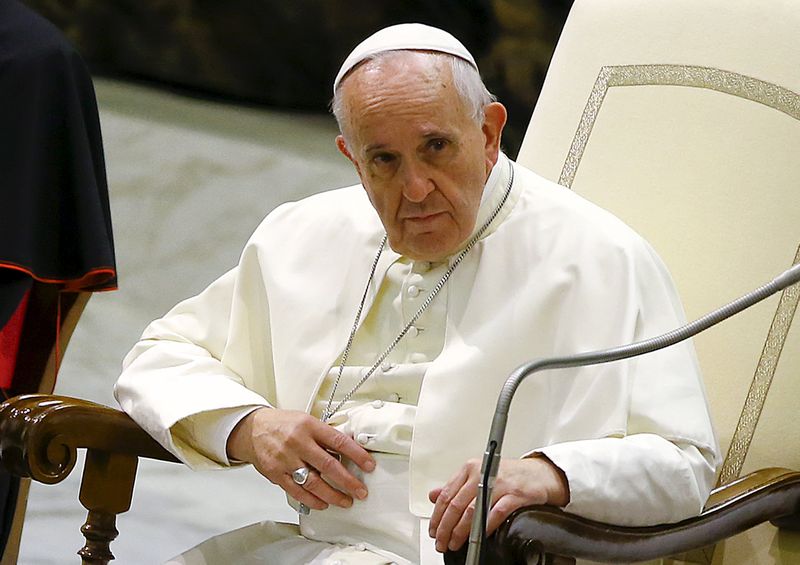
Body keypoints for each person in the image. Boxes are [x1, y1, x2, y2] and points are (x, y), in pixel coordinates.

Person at [115, 23, 719, 565]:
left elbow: (683, 465)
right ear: (352, 158)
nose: (416, 188)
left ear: (487, 132)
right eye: (384, 160)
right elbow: (160, 356)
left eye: (436, 147)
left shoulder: (599, 257)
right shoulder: (303, 233)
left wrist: (550, 475)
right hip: (318, 550)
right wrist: (249, 424)